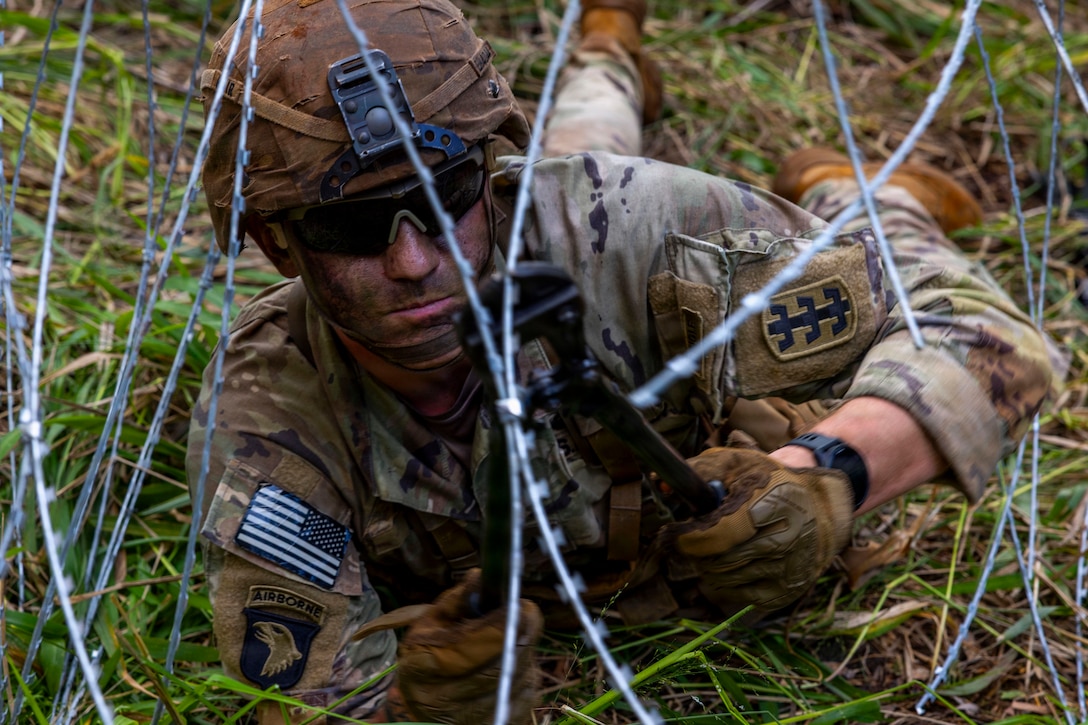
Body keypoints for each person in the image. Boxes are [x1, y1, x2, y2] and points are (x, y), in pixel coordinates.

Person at [187, 0, 1059, 722]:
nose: (415, 261)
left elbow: (988, 337)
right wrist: (418, 712)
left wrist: (828, 475)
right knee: (575, 160)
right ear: (273, 240)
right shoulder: (264, 416)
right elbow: (308, 698)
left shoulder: (628, 226)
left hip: (599, 215)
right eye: (351, 229)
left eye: (442, 197)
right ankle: (607, 55)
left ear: (487, 174)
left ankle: (862, 185)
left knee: (610, 183)